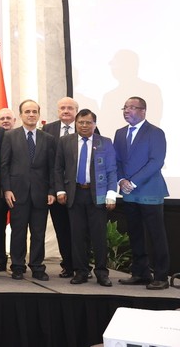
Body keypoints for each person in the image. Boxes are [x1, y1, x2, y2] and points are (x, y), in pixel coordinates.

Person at [53, 109, 117, 286]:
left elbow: (111, 169)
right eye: (81, 122)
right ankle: (81, 271)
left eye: (88, 122)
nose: (84, 125)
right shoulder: (65, 141)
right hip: (74, 194)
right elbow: (58, 168)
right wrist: (60, 190)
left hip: (97, 195)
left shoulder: (105, 142)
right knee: (77, 236)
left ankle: (102, 273)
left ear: (94, 124)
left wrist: (112, 193)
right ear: (76, 123)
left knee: (98, 236)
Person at [114, 97, 169, 290]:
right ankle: (140, 273)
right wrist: (121, 180)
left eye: (132, 108)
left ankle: (161, 276)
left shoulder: (155, 132)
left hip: (150, 192)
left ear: (143, 111)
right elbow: (117, 161)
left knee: (156, 235)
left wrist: (134, 182)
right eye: (125, 107)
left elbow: (156, 162)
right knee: (135, 234)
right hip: (129, 193)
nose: (127, 111)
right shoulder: (120, 133)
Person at [1, 100, 56, 280]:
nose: (31, 114)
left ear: (39, 115)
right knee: (18, 231)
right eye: (27, 111)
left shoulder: (48, 139)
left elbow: (52, 168)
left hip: (41, 193)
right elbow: (4, 165)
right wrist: (7, 189)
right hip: (17, 193)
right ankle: (17, 266)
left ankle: (37, 266)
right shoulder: (10, 136)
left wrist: (51, 191)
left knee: (38, 232)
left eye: (34, 111)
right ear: (21, 115)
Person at [42, 97, 80, 279]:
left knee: (79, 230)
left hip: (80, 190)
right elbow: (47, 163)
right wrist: (53, 189)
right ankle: (67, 265)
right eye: (62, 108)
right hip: (56, 189)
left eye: (70, 108)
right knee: (62, 229)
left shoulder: (86, 127)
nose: (66, 111)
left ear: (76, 111)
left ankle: (81, 266)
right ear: (57, 111)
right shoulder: (48, 129)